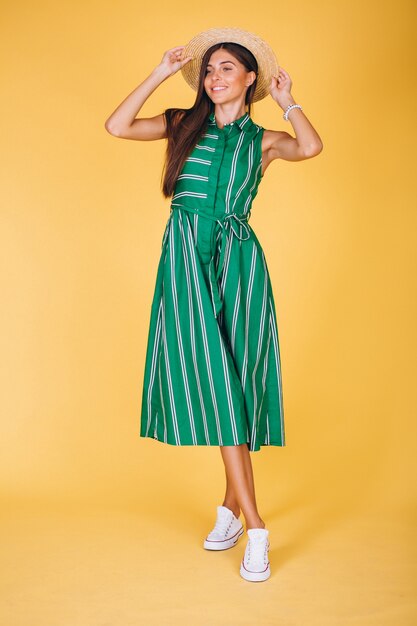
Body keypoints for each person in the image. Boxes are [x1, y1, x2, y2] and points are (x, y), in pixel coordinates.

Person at [105, 27, 323, 583]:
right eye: (209, 70)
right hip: (184, 262)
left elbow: (312, 145)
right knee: (217, 384)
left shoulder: (266, 139)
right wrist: (158, 72)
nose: (215, 77)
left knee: (241, 386)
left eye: (227, 68)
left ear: (250, 79)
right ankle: (256, 527)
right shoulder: (182, 124)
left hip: (240, 264)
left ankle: (227, 508)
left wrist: (287, 99)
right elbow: (118, 125)